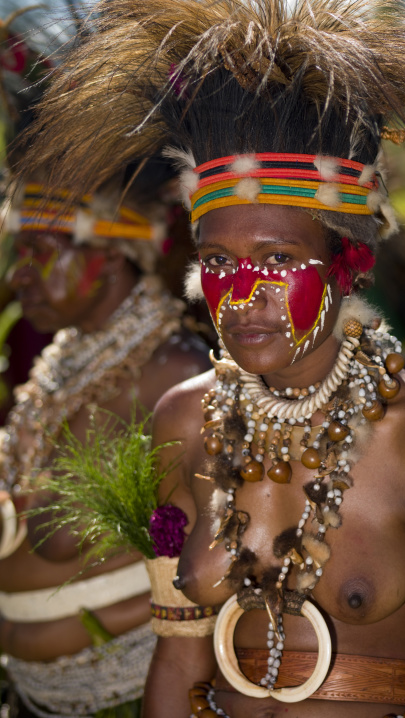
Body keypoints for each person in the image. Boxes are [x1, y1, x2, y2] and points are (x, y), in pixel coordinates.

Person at [14, 1, 405, 716]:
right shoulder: (183, 421)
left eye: (277, 260)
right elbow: (177, 654)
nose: (242, 293)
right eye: (217, 260)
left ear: (349, 265)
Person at [0, 7, 210, 717]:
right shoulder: (58, 368)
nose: (17, 276)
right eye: (17, 252)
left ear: (113, 252)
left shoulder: (174, 380)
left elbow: (227, 574)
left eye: (39, 253)